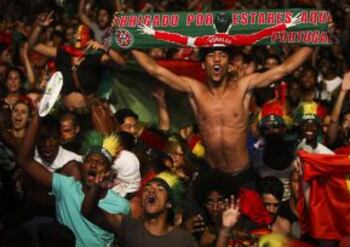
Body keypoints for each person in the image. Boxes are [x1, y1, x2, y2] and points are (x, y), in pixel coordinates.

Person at [131, 18, 313, 181]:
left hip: (242, 174)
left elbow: (285, 69)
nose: (217, 59)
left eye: (222, 55)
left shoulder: (244, 87)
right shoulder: (194, 89)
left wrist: (314, 40)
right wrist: (127, 38)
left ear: (229, 63)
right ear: (204, 64)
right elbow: (154, 70)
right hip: (211, 174)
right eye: (211, 55)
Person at [17, 113, 130, 247]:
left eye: (100, 162)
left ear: (108, 172)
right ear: (82, 167)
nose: (93, 165)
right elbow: (24, 160)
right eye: (89, 161)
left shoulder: (122, 205)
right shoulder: (65, 186)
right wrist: (36, 117)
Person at [28, 12, 125, 113]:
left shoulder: (95, 57)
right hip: (65, 111)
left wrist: (104, 47)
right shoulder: (63, 53)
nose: (78, 36)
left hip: (89, 111)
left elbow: (121, 62)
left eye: (82, 33)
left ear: (90, 39)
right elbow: (33, 46)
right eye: (76, 33)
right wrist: (39, 27)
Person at [81, 171, 197, 247]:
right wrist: (97, 187)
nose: (151, 191)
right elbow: (89, 212)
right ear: (142, 201)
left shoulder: (183, 240)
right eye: (147, 189)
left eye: (160, 189)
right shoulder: (128, 226)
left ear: (168, 204)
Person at [137, 12, 300, 47]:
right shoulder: (238, 40)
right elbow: (262, 33)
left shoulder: (204, 40)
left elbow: (179, 38)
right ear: (230, 26)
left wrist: (153, 32)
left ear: (214, 25)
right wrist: (286, 24)